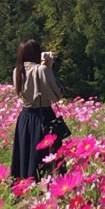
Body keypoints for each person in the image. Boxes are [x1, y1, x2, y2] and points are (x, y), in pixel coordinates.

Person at [11, 39, 64, 180]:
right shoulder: (42, 69)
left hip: (25, 117)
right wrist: (49, 67)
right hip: (43, 115)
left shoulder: (17, 70)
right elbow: (57, 94)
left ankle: (24, 182)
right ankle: (45, 182)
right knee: (44, 155)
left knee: (25, 153)